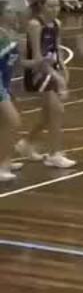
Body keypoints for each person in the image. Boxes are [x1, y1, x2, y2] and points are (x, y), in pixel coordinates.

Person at [16, 0, 74, 168]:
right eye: (51, 6)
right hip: (38, 72)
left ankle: (26, 143)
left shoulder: (56, 24)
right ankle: (54, 154)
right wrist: (58, 79)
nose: (55, 9)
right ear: (42, 6)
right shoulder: (35, 25)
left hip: (52, 70)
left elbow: (57, 49)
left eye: (57, 6)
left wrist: (63, 69)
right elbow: (37, 57)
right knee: (56, 111)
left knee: (49, 113)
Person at [0, 20, 24, 181]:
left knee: (4, 123)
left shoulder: (10, 34)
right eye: (9, 10)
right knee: (13, 121)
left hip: (5, 83)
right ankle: (2, 165)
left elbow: (12, 65)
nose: (14, 13)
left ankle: (6, 158)